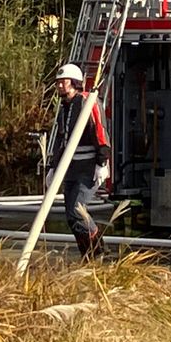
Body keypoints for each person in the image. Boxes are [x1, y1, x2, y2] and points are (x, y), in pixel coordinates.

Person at [46, 62, 110, 261]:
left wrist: (102, 161)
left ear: (74, 82)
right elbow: (61, 139)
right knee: (71, 217)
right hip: (70, 168)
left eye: (62, 82)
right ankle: (88, 256)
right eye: (57, 83)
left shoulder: (87, 102)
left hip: (89, 166)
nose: (59, 86)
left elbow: (100, 131)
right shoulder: (64, 107)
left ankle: (99, 250)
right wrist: (53, 167)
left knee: (77, 210)